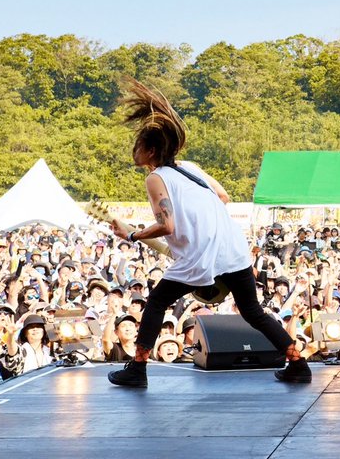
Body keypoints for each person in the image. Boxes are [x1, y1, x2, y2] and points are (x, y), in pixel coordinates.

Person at [107, 80, 310, 388]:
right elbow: (223, 197)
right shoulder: (191, 167)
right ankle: (297, 363)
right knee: (253, 311)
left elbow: (167, 226)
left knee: (157, 302)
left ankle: (137, 369)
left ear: (149, 150)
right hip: (232, 247)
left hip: (202, 256)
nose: (133, 152)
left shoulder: (156, 177)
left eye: (137, 147)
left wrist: (133, 235)